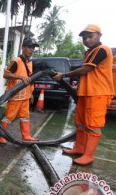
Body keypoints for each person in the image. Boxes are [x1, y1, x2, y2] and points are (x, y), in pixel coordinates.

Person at [53, 24, 114, 165]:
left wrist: (64, 74)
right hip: (86, 93)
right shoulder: (90, 53)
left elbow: (86, 70)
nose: (87, 40)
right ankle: (79, 148)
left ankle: (88, 155)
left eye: (90, 37)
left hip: (98, 93)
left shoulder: (102, 50)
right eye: (84, 38)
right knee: (80, 123)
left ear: (99, 35)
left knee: (93, 125)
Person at [0, 37, 39, 144]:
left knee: (25, 117)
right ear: (23, 48)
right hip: (15, 96)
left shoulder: (30, 62)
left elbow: (30, 78)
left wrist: (31, 93)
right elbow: (6, 74)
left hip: (25, 97)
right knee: (8, 117)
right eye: (30, 47)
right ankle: (1, 135)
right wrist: (20, 77)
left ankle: (26, 136)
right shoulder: (16, 61)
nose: (32, 50)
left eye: (33, 47)